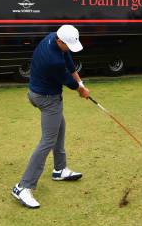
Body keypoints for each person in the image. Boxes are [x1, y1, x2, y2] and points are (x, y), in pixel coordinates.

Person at [12, 25, 90, 209]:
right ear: (60, 41)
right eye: (68, 45)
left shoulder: (53, 36)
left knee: (59, 127)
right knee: (47, 140)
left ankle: (59, 169)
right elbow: (69, 82)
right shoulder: (52, 60)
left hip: (36, 92)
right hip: (47, 99)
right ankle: (22, 186)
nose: (70, 48)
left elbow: (69, 62)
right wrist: (81, 90)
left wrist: (81, 83)